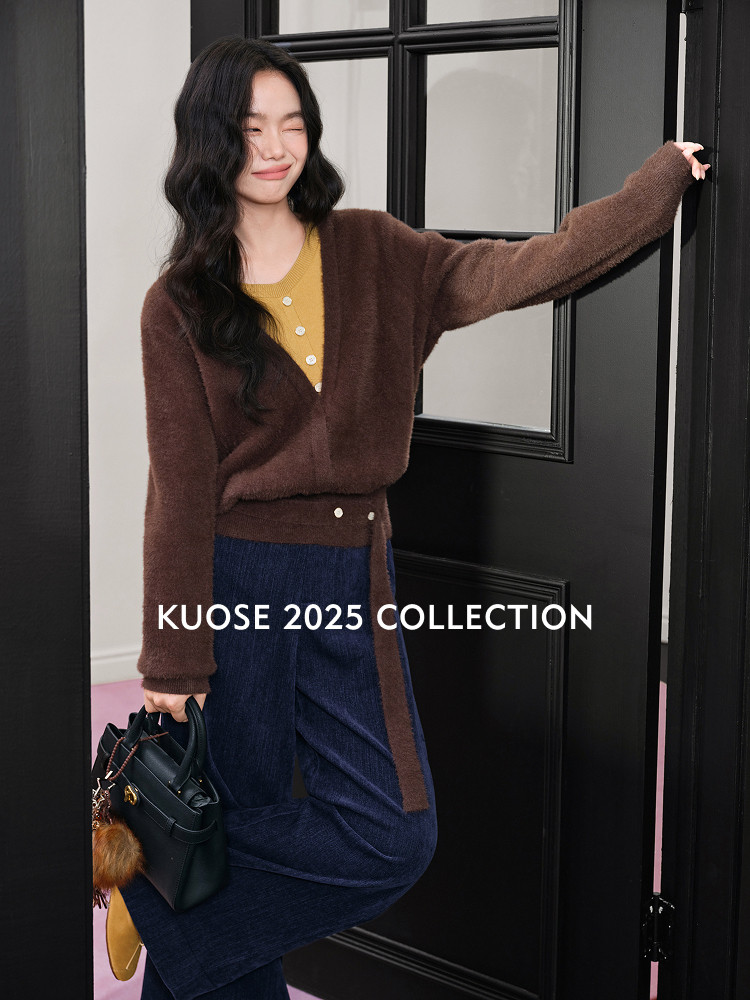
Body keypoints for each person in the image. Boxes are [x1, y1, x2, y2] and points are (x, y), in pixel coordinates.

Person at [112, 34, 709, 1000]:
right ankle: (175, 897)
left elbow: (533, 267)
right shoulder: (176, 306)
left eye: (293, 124)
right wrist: (171, 661)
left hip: (354, 571)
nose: (276, 147)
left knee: (390, 833)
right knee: (239, 814)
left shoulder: (378, 251)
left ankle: (155, 891)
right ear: (209, 142)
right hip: (238, 580)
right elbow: (177, 492)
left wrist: (658, 186)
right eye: (251, 128)